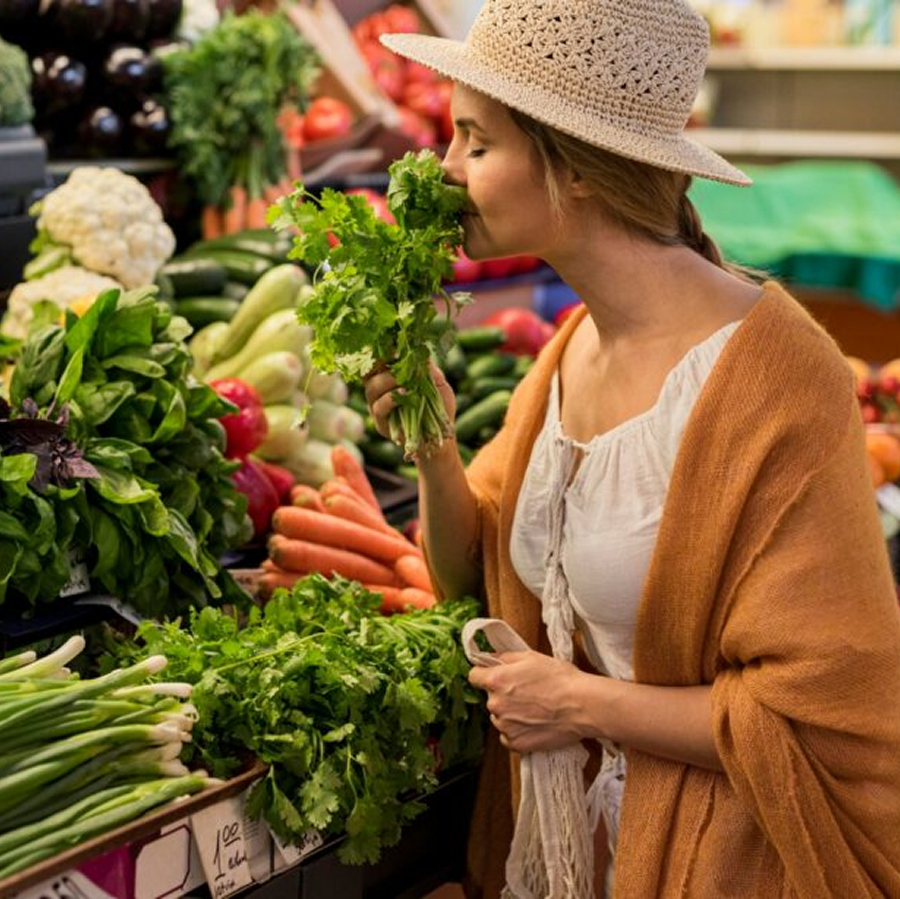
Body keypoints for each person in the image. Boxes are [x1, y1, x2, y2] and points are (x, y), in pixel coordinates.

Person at [366, 1, 900, 896]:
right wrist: (430, 440)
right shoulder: (573, 345)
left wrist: (573, 702)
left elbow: (818, 711)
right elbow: (470, 576)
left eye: (476, 141)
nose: (445, 169)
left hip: (719, 864)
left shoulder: (777, 375)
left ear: (572, 168)